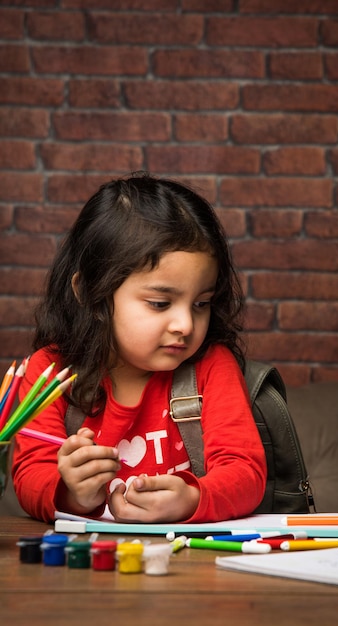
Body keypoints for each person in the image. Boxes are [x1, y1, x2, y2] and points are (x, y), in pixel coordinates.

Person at [11, 173, 267, 524]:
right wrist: (72, 492)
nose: (186, 325)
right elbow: (29, 476)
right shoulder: (49, 373)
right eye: (160, 303)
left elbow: (245, 472)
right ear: (90, 293)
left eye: (201, 303)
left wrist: (192, 498)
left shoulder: (211, 366)